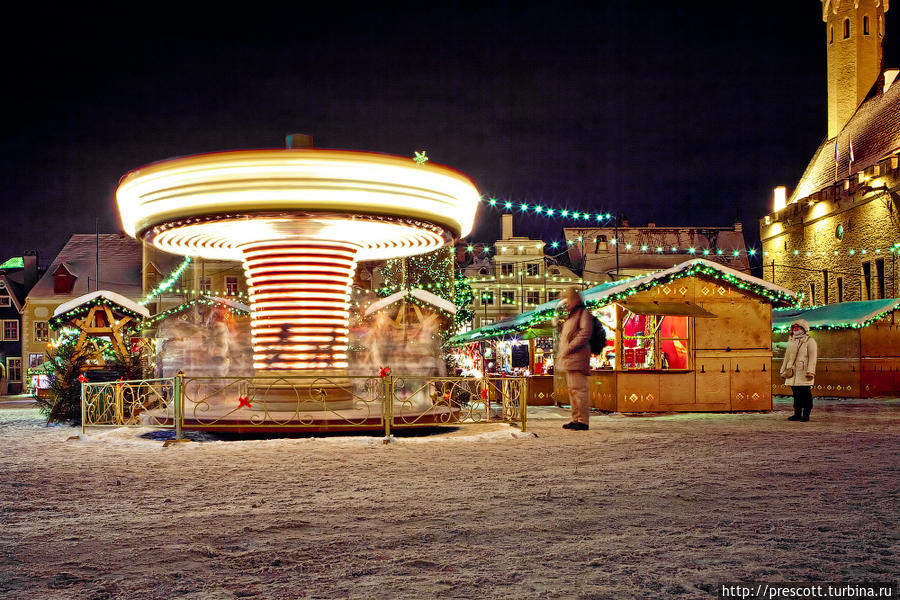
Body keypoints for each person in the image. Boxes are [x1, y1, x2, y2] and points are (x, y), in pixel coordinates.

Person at [557, 287, 593, 431]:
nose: (566, 303)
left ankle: (583, 421)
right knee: (573, 390)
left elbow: (585, 333)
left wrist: (570, 347)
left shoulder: (583, 313)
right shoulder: (572, 315)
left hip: (577, 358)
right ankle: (575, 418)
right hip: (570, 360)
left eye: (568, 299)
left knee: (579, 390)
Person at [780, 318, 817, 421]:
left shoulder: (810, 341)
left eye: (797, 327)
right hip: (792, 372)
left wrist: (810, 371)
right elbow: (787, 357)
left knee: (805, 394)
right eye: (794, 327)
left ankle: (806, 414)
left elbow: (812, 357)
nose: (795, 329)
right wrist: (783, 369)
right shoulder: (791, 341)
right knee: (796, 395)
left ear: (803, 328)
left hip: (803, 372)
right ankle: (797, 413)